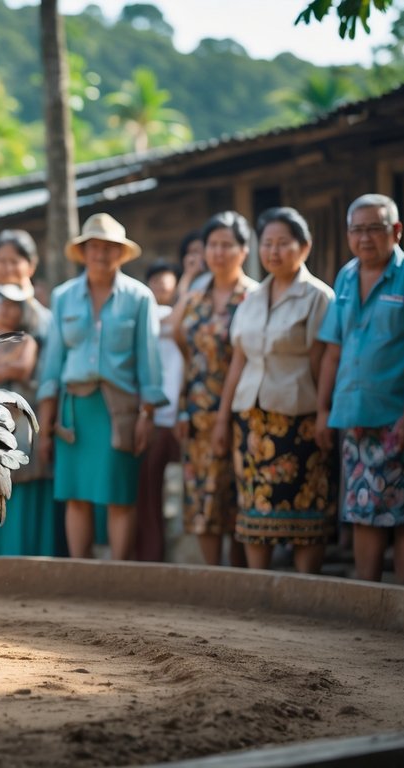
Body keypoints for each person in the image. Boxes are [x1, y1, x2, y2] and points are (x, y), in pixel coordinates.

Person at [316, 194, 404, 585]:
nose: (365, 237)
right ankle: (368, 600)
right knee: (360, 509)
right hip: (352, 413)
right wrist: (324, 409)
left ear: (396, 231)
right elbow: (332, 351)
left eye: (375, 228)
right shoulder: (346, 276)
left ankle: (403, 599)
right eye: (357, 229)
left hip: (397, 415)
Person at [37, 213, 165, 561]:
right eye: (94, 247)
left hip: (119, 409)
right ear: (83, 252)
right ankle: (82, 571)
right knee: (76, 495)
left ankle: (118, 574)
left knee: (118, 495)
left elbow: (149, 360)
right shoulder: (64, 297)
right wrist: (45, 427)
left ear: (121, 254)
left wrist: (147, 415)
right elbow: (52, 365)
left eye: (110, 248)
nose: (101, 254)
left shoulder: (139, 298)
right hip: (74, 410)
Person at [215, 207, 335, 573]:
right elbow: (239, 360)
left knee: (305, 504)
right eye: (267, 243)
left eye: (283, 243)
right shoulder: (250, 298)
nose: (274, 251)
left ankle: (306, 588)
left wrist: (325, 412)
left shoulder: (319, 297)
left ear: (305, 246)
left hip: (300, 417)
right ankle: (260, 589)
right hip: (250, 419)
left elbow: (322, 359)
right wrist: (223, 418)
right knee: (254, 506)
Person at [175, 211, 258, 568]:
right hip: (198, 413)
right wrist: (180, 406)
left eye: (227, 245)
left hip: (244, 411)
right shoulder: (194, 297)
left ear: (244, 249)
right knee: (202, 496)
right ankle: (212, 577)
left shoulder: (254, 296)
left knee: (239, 494)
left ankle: (238, 579)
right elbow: (183, 348)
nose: (218, 252)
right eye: (213, 244)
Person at [0, 229, 58, 556]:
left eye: (16, 260)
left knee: (29, 479)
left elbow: (24, 369)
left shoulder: (43, 319)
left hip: (30, 417)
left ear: (32, 264)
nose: (9, 266)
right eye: (1, 260)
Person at [133, 261, 184, 562]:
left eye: (168, 283)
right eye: (156, 282)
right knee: (148, 494)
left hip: (178, 416)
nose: (162, 287)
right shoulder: (152, 314)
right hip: (153, 415)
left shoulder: (186, 316)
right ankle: (150, 558)